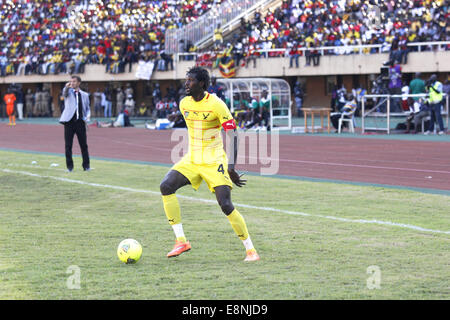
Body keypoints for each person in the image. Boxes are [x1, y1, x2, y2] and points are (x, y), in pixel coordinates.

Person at [159, 66, 259, 262]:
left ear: (202, 83)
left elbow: (233, 134)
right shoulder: (184, 103)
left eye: (190, 81)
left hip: (214, 160)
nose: (186, 84)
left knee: (225, 204)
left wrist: (231, 167)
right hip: (192, 158)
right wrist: (176, 117)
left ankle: (251, 250)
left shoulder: (216, 104)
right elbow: (193, 116)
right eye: (186, 80)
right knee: (166, 186)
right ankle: (181, 241)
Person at [59, 75, 91, 172]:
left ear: (79, 83)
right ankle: (70, 167)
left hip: (80, 122)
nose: (72, 83)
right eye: (71, 81)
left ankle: (86, 166)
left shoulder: (85, 95)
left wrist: (87, 117)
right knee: (68, 145)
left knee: (84, 145)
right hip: (69, 122)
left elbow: (87, 108)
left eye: (74, 81)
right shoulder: (68, 92)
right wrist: (66, 86)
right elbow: (63, 93)